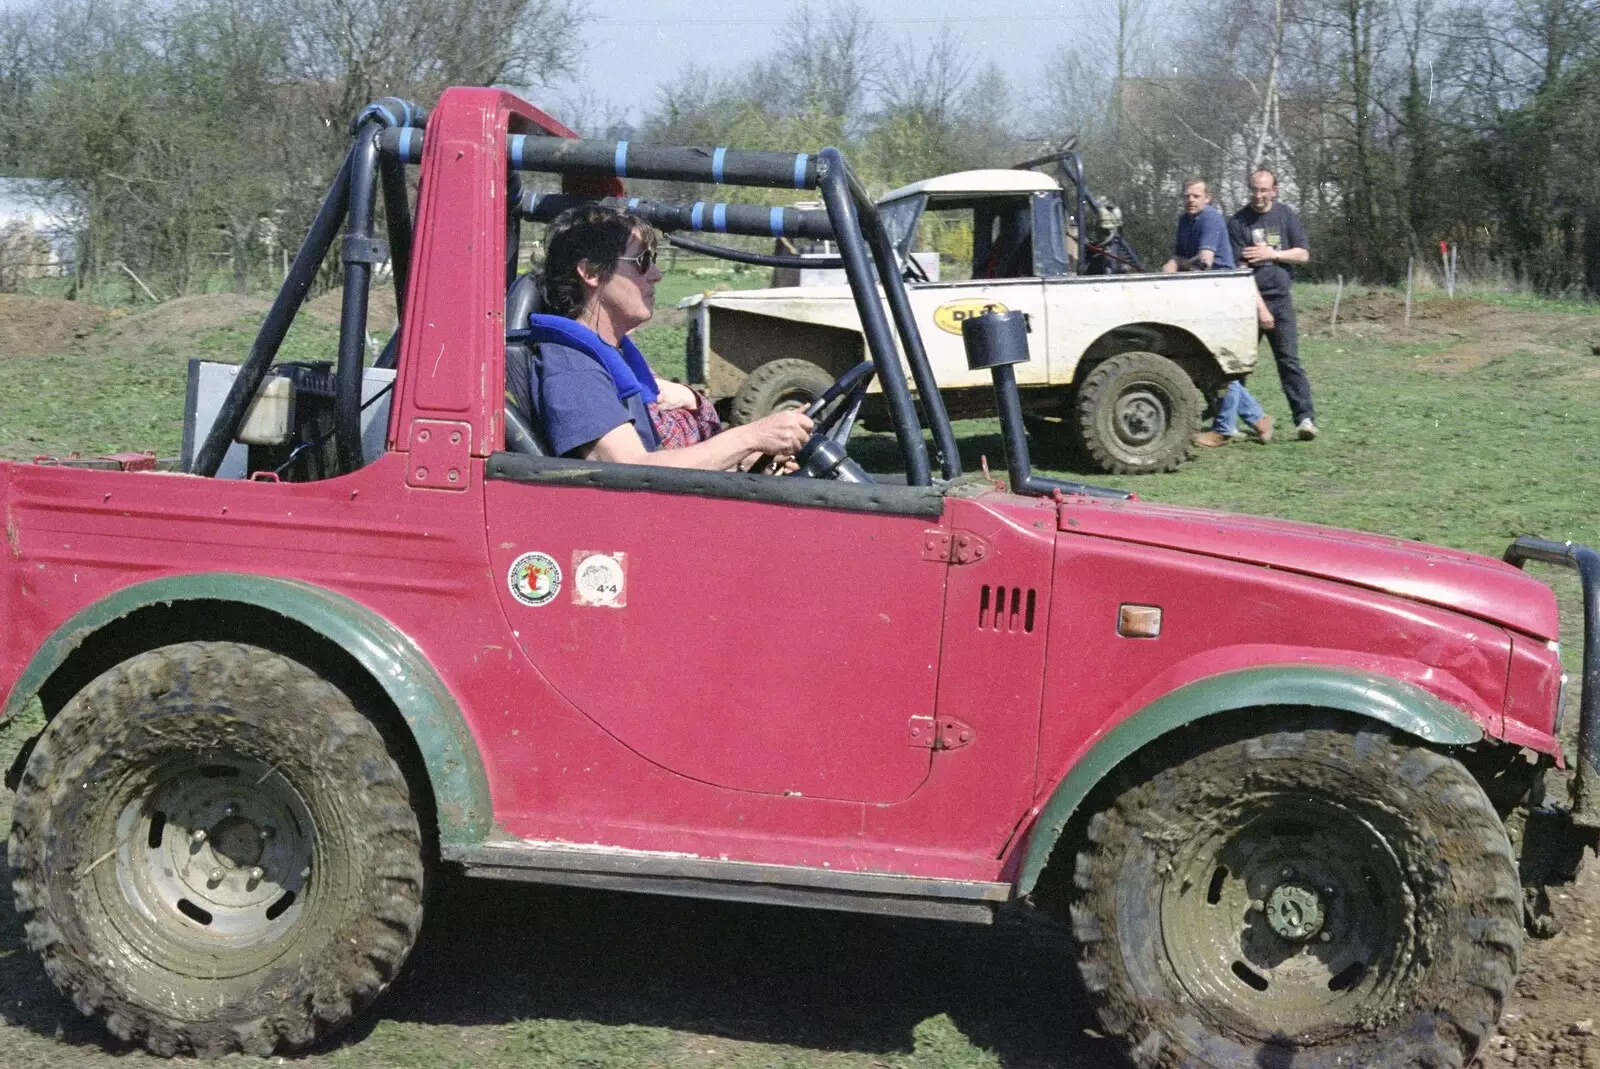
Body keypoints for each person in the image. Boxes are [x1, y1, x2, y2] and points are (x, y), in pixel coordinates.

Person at [525, 204, 813, 470]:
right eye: (642, 260)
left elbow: (659, 456)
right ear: (590, 272)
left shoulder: (612, 356)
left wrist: (744, 458)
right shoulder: (575, 371)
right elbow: (632, 471)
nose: (657, 274)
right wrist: (750, 437)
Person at [1164, 180, 1274, 447]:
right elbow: (1177, 258)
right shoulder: (1185, 220)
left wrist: (1178, 264)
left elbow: (1204, 262)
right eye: (1187, 195)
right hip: (1202, 294)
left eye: (1196, 195)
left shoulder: (1211, 218)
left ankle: (1223, 429)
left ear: (1208, 198)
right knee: (1213, 364)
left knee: (1223, 363)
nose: (1191, 200)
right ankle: (1259, 419)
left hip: (1221, 294)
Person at [1234, 168, 1317, 440]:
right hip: (1250, 304)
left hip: (1281, 301)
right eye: (1254, 189)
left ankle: (1305, 419)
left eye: (1264, 190)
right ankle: (1228, 424)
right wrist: (1261, 309)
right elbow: (1240, 272)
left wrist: (1273, 254)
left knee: (1289, 362)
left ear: (1274, 190)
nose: (1258, 195)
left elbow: (1303, 254)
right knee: (1239, 365)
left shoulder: (1285, 215)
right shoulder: (1238, 222)